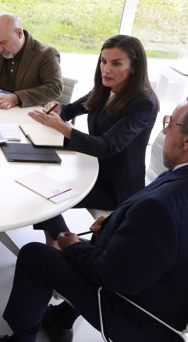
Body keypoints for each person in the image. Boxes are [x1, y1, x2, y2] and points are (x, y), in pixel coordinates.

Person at [0, 90, 188, 342]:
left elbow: (112, 276)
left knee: (36, 255)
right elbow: (184, 235)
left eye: (170, 124)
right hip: (184, 298)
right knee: (91, 248)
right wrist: (122, 224)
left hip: (142, 314)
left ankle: (20, 337)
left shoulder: (163, 207)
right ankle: (61, 320)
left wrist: (71, 246)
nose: (165, 131)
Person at [28, 35, 159, 247]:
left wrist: (61, 127)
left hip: (115, 186)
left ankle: (62, 243)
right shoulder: (106, 88)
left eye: (116, 63)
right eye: (103, 61)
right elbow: (71, 109)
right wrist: (57, 109)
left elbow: (107, 146)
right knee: (38, 183)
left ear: (134, 67)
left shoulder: (143, 103)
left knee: (45, 196)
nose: (106, 69)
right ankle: (56, 241)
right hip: (91, 169)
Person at [0, 14, 62, 109]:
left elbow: (54, 88)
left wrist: (17, 98)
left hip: (25, 116)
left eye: (3, 42)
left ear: (19, 33)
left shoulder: (46, 54)